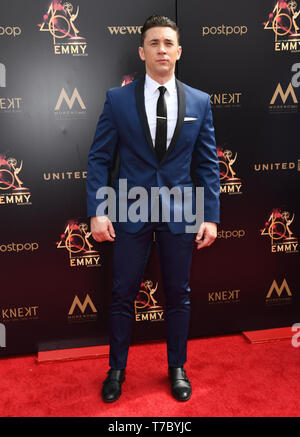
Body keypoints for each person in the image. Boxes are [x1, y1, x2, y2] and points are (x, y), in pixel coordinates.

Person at [86, 15, 220, 402]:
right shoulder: (117, 99)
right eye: (154, 43)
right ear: (142, 51)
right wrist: (98, 209)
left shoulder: (199, 101)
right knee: (122, 292)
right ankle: (116, 369)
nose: (162, 49)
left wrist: (210, 215)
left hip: (181, 211)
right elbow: (99, 158)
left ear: (178, 51)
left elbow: (208, 164)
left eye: (168, 43)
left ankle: (177, 367)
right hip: (129, 209)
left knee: (178, 294)